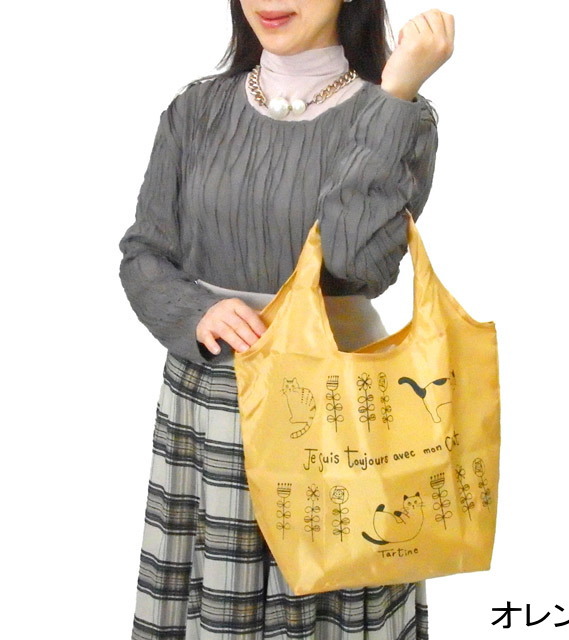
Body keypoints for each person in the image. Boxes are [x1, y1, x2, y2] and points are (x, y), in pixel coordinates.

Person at [119, 1, 454, 637]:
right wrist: (196, 310)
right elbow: (144, 252)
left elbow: (358, 263)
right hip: (212, 394)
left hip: (336, 395)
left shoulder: (395, 114)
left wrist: (395, 96)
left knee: (336, 595)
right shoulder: (196, 109)